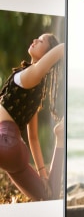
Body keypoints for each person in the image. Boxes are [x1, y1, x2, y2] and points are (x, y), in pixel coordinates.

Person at [0, 34, 65, 201]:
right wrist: (42, 173)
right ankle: (60, 139)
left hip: (5, 141)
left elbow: (62, 49)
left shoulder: (31, 74)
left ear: (48, 55)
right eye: (37, 38)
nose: (35, 40)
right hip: (13, 152)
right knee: (47, 197)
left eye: (41, 41)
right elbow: (33, 138)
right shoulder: (35, 91)